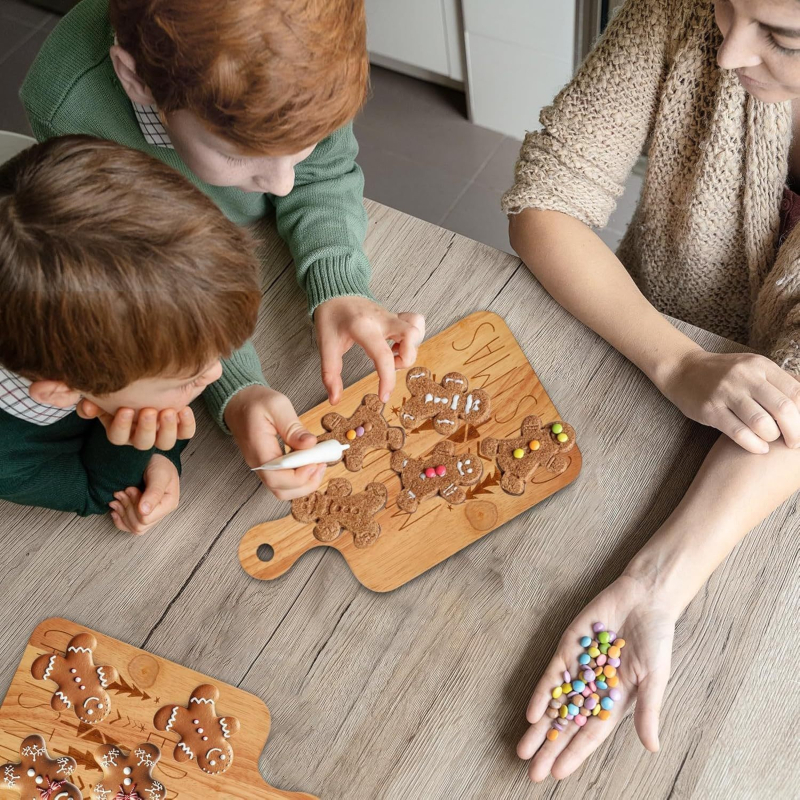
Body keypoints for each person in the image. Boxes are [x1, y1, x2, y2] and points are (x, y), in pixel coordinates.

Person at [503, 0, 800, 781]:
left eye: (782, 37)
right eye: (726, 9)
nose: (730, 49)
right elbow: (546, 199)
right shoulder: (680, 11)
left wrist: (655, 585)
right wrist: (675, 362)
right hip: (629, 364)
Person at [20, 0, 425, 500]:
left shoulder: (302, 52)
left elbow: (322, 175)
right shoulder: (70, 105)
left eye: (304, 146)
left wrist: (337, 284)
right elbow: (149, 296)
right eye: (239, 154)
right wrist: (235, 389)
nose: (281, 185)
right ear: (137, 80)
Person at [0, 136, 261, 534]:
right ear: (61, 391)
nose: (214, 373)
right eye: (188, 379)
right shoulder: (8, 459)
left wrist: (161, 455)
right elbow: (96, 490)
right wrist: (135, 447)